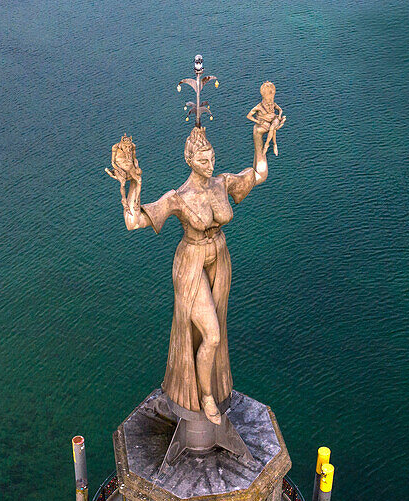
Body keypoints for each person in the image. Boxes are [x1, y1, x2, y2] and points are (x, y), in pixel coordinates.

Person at [107, 112, 281, 424]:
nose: (210, 164)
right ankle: (206, 397)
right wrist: (134, 183)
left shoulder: (223, 183)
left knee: (217, 330)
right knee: (211, 335)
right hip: (191, 261)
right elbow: (133, 222)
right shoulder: (179, 198)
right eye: (203, 160)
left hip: (220, 257)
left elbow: (258, 174)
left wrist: (259, 139)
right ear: (190, 160)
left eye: (212, 157)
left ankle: (210, 386)